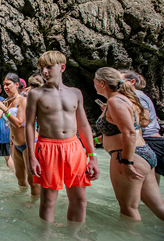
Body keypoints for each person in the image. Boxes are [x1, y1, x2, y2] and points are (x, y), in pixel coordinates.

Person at [26, 51, 99, 227]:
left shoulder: (76, 93)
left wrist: (92, 156)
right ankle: (46, 236)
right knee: (49, 199)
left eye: (49, 67)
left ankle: (75, 236)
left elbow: (83, 126)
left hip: (74, 147)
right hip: (48, 146)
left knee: (80, 199)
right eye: (42, 68)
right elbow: (29, 125)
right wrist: (31, 156)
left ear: (62, 67)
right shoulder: (35, 94)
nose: (45, 71)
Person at [94, 67, 164, 220]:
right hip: (144, 154)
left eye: (95, 81)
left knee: (128, 209)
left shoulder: (115, 101)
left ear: (102, 83)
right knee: (159, 207)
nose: (93, 84)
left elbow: (130, 132)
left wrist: (127, 162)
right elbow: (139, 125)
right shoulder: (125, 99)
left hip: (127, 155)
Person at [0, 73, 39, 196]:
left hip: (29, 143)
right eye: (4, 85)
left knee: (32, 180)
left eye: (8, 84)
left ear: (17, 85)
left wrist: (4, 109)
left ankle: (34, 203)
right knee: (20, 178)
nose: (5, 87)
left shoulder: (23, 101)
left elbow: (19, 123)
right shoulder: (6, 101)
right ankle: (21, 199)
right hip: (16, 145)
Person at [120, 69, 164, 184]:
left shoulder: (137, 96)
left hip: (150, 141)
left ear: (132, 82)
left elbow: (145, 120)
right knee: (152, 187)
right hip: (152, 141)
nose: (116, 84)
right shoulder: (136, 96)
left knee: (147, 186)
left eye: (120, 81)